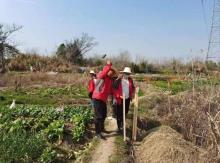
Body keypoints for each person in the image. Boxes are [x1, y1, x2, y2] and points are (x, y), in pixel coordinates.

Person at [92, 60, 116, 139]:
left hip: (103, 99)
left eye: (112, 73)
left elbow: (111, 90)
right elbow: (104, 72)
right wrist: (108, 65)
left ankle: (102, 129)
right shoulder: (102, 75)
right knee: (98, 116)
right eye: (110, 72)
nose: (111, 74)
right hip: (97, 98)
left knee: (104, 115)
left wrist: (116, 96)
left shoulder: (109, 80)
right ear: (107, 71)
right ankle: (97, 133)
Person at [113, 67, 135, 133]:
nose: (127, 75)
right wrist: (118, 96)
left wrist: (133, 93)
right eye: (126, 73)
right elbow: (114, 89)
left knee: (125, 112)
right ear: (123, 73)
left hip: (127, 99)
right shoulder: (118, 80)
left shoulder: (130, 80)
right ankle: (119, 127)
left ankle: (122, 126)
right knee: (119, 113)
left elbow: (132, 88)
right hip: (120, 99)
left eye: (128, 74)